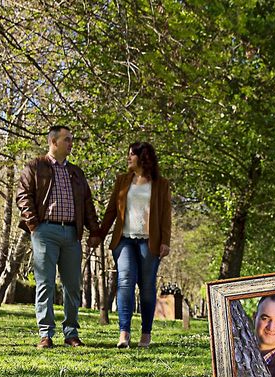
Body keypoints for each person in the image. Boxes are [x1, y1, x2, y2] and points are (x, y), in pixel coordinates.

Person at [16, 125, 100, 349]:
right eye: (67, 140)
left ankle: (71, 332)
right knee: (45, 283)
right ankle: (45, 333)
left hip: (72, 233)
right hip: (45, 232)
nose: (71, 144)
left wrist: (95, 231)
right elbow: (23, 195)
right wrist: (34, 224)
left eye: (71, 140)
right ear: (53, 142)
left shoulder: (76, 172)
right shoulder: (35, 166)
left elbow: (87, 203)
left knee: (72, 285)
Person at [98, 142, 171, 348]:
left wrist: (165, 241)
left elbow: (166, 215)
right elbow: (112, 210)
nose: (128, 158)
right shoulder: (122, 180)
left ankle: (146, 334)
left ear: (143, 157)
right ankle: (124, 334)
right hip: (124, 240)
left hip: (149, 242)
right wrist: (100, 234)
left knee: (147, 288)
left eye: (131, 155)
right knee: (125, 282)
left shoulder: (160, 184)